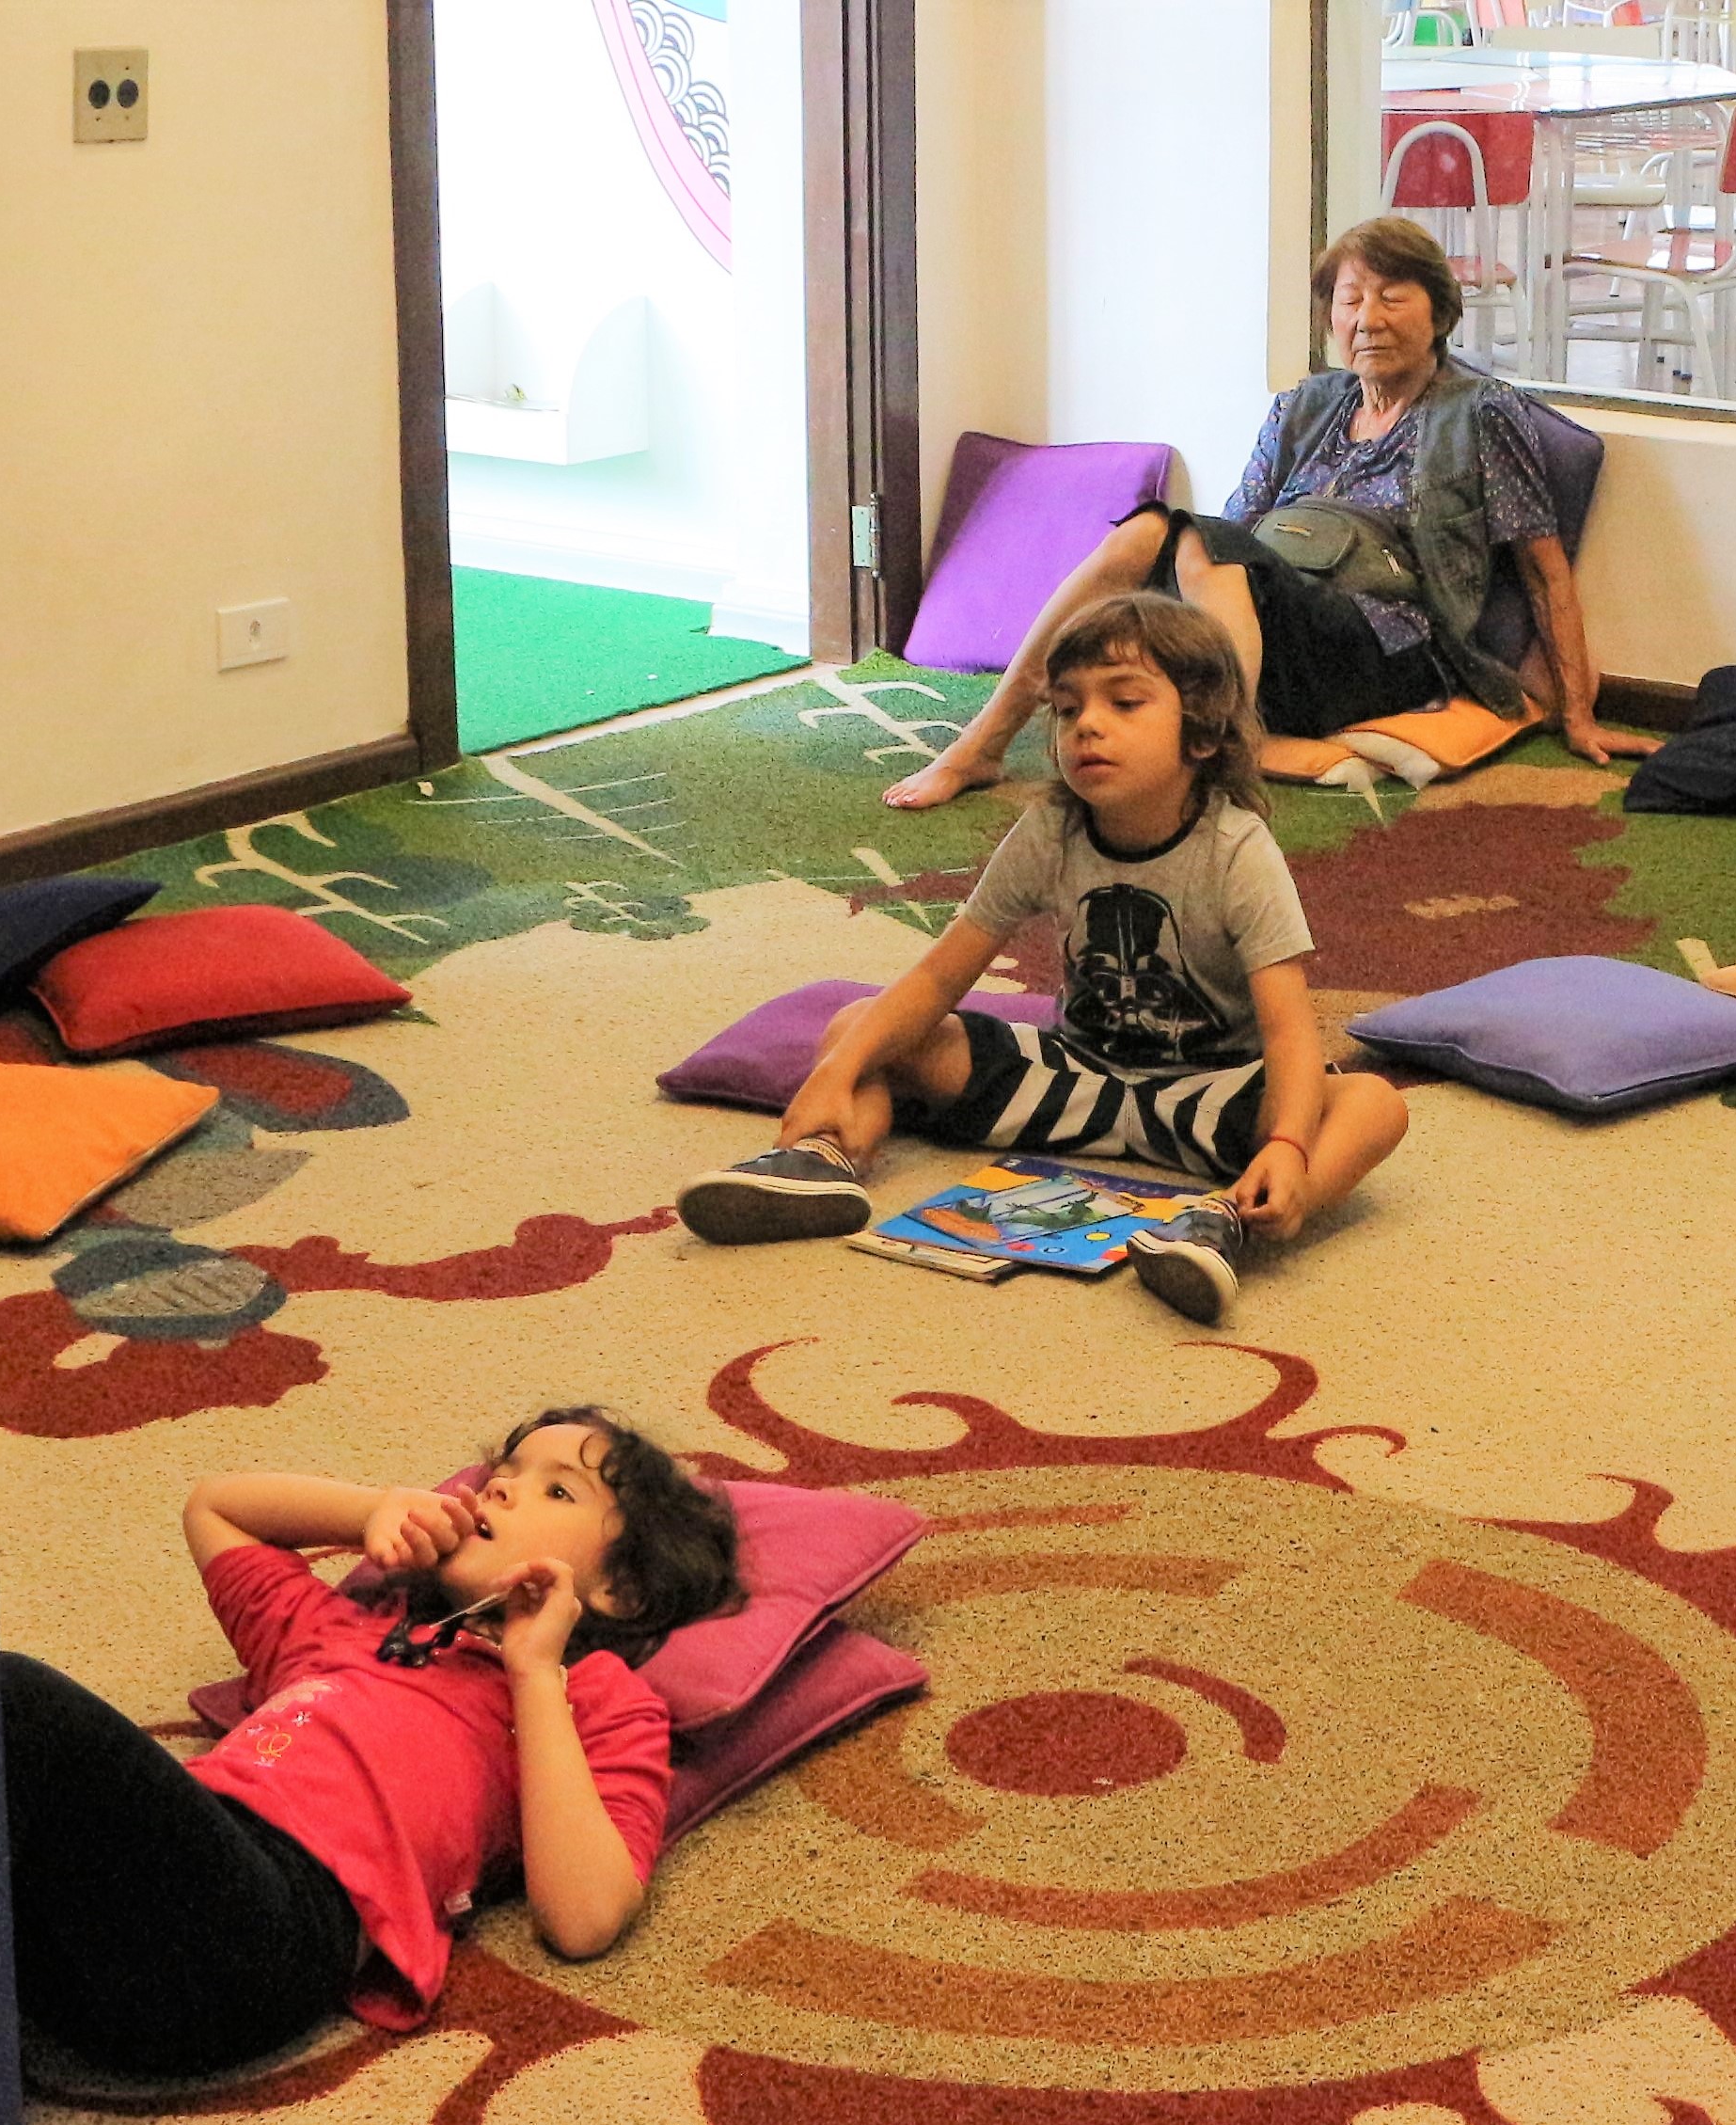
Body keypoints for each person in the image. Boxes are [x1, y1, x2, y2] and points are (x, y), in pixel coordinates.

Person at [678, 590, 1407, 1324]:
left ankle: (1223, 1223)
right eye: (1066, 708)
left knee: (1370, 1105)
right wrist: (836, 1073)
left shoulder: (1237, 848)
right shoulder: (1050, 828)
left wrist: (1286, 1143)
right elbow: (939, 975)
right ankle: (825, 1159)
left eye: (1124, 702)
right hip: (1071, 1078)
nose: (1087, 723)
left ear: (1202, 733)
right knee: (859, 1026)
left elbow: (1288, 1029)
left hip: (1209, 1096)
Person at [0, 1408, 746, 2079]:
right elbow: (215, 1508)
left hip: (274, 1928)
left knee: (10, 1701)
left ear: (622, 1589)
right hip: (116, 1927)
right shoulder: (346, 1627)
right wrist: (370, 1511)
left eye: (557, 1490)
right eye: (504, 1471)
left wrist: (533, 1668)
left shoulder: (594, 1695)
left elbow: (583, 1918)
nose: (499, 1487)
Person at [881, 216, 1636, 809]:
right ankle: (983, 744)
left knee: (1176, 531)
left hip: (1380, 649)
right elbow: (1235, 532)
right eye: (1350, 299)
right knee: (1154, 535)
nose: (1368, 317)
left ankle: (1221, 755)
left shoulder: (1479, 413)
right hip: (1270, 626)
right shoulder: (1304, 406)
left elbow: (1544, 571)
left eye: (1392, 296)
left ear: (1439, 312)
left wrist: (1576, 713)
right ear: (1329, 317)